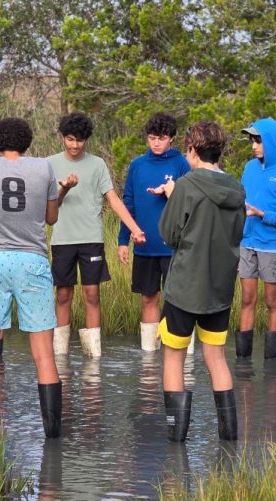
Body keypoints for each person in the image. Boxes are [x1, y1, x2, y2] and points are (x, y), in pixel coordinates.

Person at [0, 117, 72, 440]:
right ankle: (53, 436)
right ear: (27, 143)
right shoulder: (43, 168)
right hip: (32, 260)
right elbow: (50, 218)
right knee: (44, 354)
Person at [156, 121, 246, 442]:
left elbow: (168, 234)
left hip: (183, 289)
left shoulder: (186, 185)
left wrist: (172, 196)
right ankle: (229, 437)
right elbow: (237, 234)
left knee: (173, 357)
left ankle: (176, 439)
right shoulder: (237, 188)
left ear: (193, 150)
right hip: (220, 288)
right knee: (216, 357)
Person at [48, 112, 145, 358]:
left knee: (92, 293)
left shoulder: (97, 163)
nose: (74, 145)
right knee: (63, 293)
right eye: (70, 139)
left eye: (79, 140)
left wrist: (134, 228)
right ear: (62, 137)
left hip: (91, 239)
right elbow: (50, 208)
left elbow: (113, 200)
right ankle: (60, 355)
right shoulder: (48, 164)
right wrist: (64, 188)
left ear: (86, 140)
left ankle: (94, 355)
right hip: (63, 239)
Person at [117, 112, 191, 351]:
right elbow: (127, 204)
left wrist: (172, 189)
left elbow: (192, 200)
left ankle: (179, 354)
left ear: (172, 138)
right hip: (144, 246)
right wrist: (122, 240)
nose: (156, 143)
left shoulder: (182, 163)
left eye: (161, 138)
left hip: (174, 248)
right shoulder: (138, 165)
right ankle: (149, 356)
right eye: (152, 138)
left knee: (177, 301)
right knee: (149, 298)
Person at [236, 117, 276, 362]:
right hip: (246, 242)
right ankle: (243, 362)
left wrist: (262, 214)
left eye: (258, 140)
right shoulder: (249, 168)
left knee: (272, 301)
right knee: (247, 299)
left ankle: (271, 362)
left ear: (271, 141)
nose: (254, 145)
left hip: (272, 246)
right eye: (252, 140)